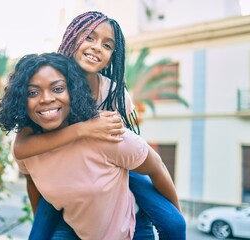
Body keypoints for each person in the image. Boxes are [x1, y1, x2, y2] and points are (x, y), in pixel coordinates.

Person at [12, 11, 186, 240]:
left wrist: (174, 212)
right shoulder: (52, 80)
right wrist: (84, 129)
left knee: (173, 223)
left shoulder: (114, 93)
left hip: (113, 165)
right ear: (72, 37)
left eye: (107, 45)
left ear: (113, 55)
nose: (96, 47)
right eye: (89, 37)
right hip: (61, 164)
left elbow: (125, 147)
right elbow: (22, 147)